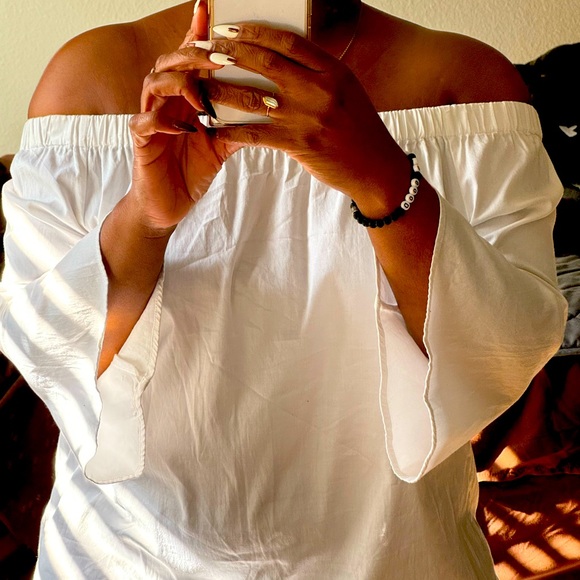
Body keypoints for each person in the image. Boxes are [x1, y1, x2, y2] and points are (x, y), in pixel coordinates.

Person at [0, 0, 567, 577]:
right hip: (126, 561)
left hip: (397, 557)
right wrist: (144, 218)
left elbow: (499, 356)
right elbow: (53, 349)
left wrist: (382, 176)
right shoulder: (91, 82)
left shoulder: (465, 86)